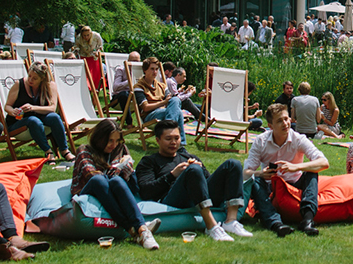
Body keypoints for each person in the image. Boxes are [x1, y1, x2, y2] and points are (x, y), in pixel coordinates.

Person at [136, 119, 250, 241]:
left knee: (234, 164)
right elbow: (146, 191)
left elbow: (206, 183)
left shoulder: (187, 157)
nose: (173, 142)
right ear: (158, 140)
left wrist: (202, 170)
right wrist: (173, 175)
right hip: (173, 199)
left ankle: (231, 221)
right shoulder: (149, 161)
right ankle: (211, 226)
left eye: (177, 138)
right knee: (193, 170)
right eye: (168, 139)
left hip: (198, 196)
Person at [71, 119, 159, 250]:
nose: (114, 144)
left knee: (117, 181)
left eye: (117, 140)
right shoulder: (85, 150)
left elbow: (125, 179)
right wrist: (118, 169)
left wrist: (127, 166)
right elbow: (91, 174)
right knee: (100, 180)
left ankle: (141, 230)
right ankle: (132, 228)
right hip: (90, 188)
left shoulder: (120, 149)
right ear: (99, 138)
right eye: (110, 140)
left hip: (112, 188)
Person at [244, 103, 329, 236]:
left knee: (312, 172)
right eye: (280, 121)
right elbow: (245, 173)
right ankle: (275, 223)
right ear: (270, 126)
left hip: (294, 182)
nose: (285, 123)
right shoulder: (260, 141)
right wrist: (260, 173)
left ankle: (307, 220)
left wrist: (295, 167)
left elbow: (324, 162)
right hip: (270, 186)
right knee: (255, 181)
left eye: (286, 119)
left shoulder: (299, 139)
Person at [4, 61, 72, 161]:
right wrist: (12, 111)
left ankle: (64, 150)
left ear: (42, 79)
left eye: (35, 78)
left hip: (40, 118)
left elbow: (52, 108)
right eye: (29, 75)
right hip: (18, 122)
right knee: (33, 120)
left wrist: (33, 108)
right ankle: (48, 152)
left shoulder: (50, 86)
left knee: (55, 117)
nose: (30, 80)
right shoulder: (19, 84)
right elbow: (7, 106)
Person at [134, 57, 186, 144]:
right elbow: (145, 107)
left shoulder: (162, 86)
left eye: (156, 69)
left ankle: (169, 127)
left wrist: (167, 102)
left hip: (164, 112)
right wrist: (163, 102)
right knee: (178, 112)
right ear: (145, 70)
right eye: (152, 69)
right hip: (149, 116)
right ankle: (179, 141)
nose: (155, 72)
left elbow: (170, 100)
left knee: (176, 100)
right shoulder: (139, 87)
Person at [72, 23, 105, 90]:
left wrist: (98, 51)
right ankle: (86, 87)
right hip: (83, 57)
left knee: (95, 75)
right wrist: (75, 50)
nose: (86, 37)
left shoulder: (96, 36)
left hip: (94, 57)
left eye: (88, 35)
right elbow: (76, 46)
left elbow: (100, 46)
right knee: (85, 74)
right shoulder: (79, 37)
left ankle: (95, 88)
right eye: (84, 35)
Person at [109, 51, 142, 117]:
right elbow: (115, 87)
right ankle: (129, 122)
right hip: (119, 98)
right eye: (133, 61)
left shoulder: (141, 70)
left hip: (135, 97)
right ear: (128, 61)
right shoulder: (121, 69)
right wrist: (129, 82)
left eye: (137, 61)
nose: (135, 63)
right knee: (124, 94)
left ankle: (143, 122)